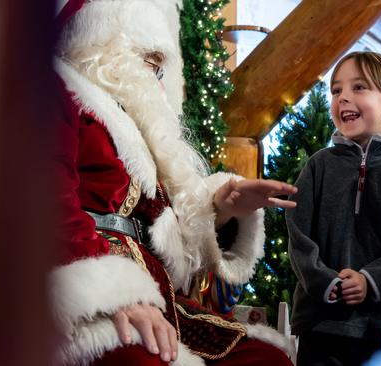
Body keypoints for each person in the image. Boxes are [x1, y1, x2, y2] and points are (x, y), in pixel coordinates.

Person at [52, 1, 296, 365]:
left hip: (164, 300)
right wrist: (116, 293)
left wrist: (226, 208)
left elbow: (166, 231)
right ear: (100, 42)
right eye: (146, 56)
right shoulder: (59, 93)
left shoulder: (138, 129)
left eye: (159, 61)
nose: (156, 71)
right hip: (87, 295)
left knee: (266, 359)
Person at [286, 51, 381, 366]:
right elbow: (298, 235)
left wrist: (369, 279)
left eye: (358, 88)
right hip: (320, 325)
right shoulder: (318, 166)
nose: (342, 98)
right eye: (336, 90)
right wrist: (326, 281)